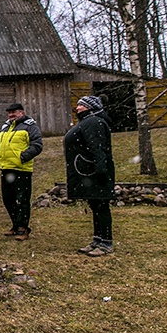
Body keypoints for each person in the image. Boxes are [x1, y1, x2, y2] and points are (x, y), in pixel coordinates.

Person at [64, 95, 116, 257]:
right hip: (88, 171)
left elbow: (97, 148)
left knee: (101, 206)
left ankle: (106, 243)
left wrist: (101, 171)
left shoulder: (94, 122)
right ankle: (97, 239)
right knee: (95, 206)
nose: (77, 108)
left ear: (90, 107)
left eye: (81, 105)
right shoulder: (88, 121)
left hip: (94, 172)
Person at [0, 103, 43, 241]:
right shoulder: (6, 127)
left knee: (22, 199)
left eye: (14, 112)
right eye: (9, 113)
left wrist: (22, 157)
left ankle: (23, 228)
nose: (11, 115)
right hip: (6, 168)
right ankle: (16, 225)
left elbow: (37, 145)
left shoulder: (30, 126)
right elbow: (0, 145)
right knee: (7, 199)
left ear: (21, 113)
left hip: (22, 170)